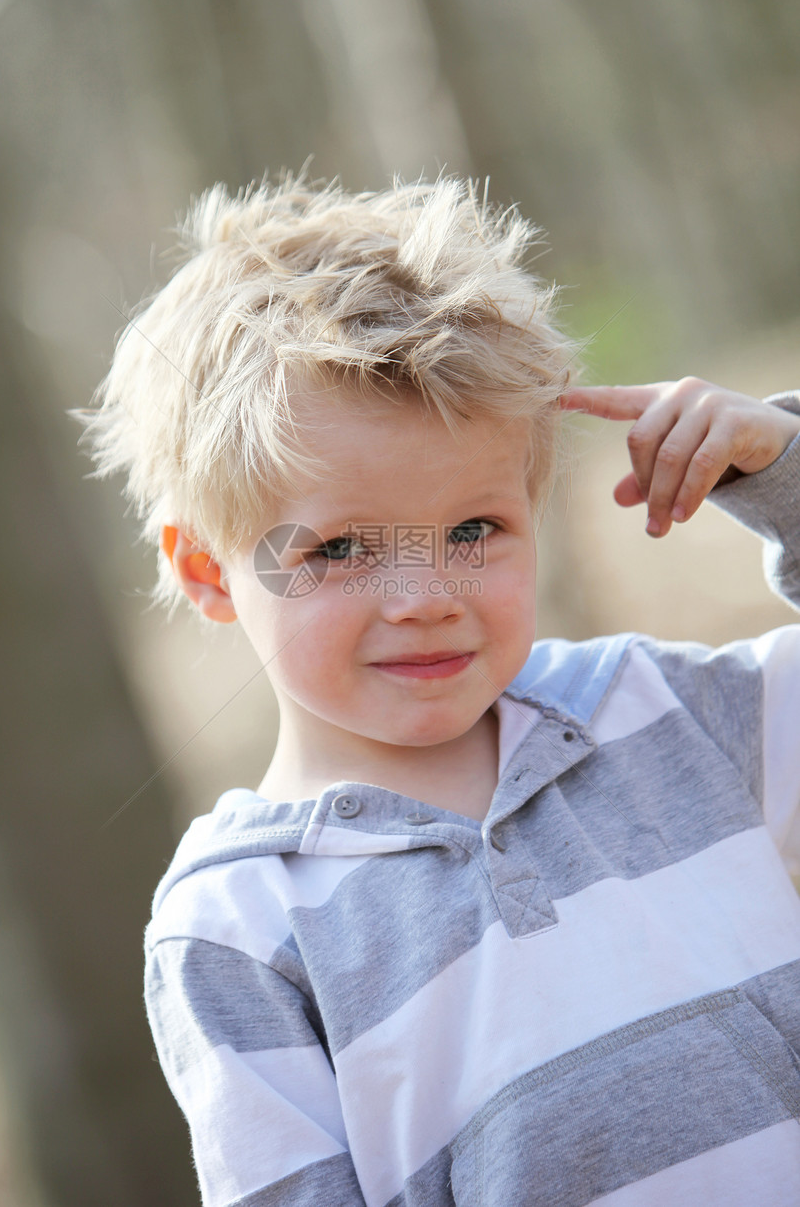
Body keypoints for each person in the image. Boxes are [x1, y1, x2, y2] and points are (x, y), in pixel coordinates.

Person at [80, 175, 800, 1206]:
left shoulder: (666, 715)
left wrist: (782, 468)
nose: (423, 597)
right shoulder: (237, 929)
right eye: (336, 549)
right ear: (206, 572)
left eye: (472, 530)